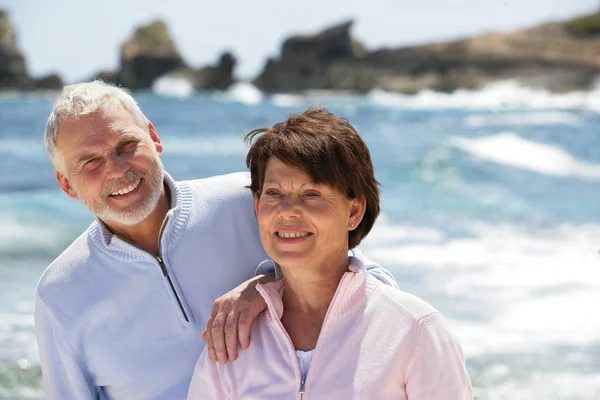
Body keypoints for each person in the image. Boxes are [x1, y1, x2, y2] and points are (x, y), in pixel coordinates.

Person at [34, 81, 397, 399]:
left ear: (154, 138)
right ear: (66, 184)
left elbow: (378, 291)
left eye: (127, 144)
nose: (116, 168)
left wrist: (268, 287)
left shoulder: (251, 201)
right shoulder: (60, 293)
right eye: (90, 162)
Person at [188, 107, 473, 399]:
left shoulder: (415, 330)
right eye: (274, 193)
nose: (287, 211)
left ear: (354, 211)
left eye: (311, 194)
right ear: (257, 206)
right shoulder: (232, 340)